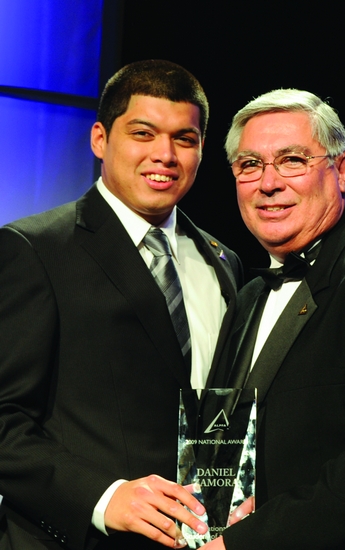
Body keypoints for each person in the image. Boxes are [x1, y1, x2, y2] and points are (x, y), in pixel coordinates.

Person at [0, 60, 242, 550]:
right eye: (143, 133)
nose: (165, 154)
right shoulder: (35, 249)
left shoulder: (224, 262)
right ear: (99, 139)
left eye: (185, 139)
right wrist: (103, 497)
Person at [202, 89, 345, 549]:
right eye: (249, 165)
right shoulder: (248, 297)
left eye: (291, 160)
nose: (268, 182)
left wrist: (246, 542)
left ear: (341, 169)